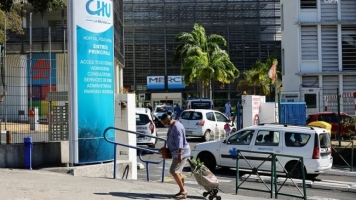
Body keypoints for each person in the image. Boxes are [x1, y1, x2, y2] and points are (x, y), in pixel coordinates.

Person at [160, 113, 190, 199]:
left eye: (164, 123)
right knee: (178, 172)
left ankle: (183, 191)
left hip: (181, 152)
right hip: (177, 152)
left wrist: (180, 154)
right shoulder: (172, 126)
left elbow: (180, 140)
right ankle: (182, 191)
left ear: (168, 121)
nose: (164, 125)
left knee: (173, 171)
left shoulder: (176, 126)